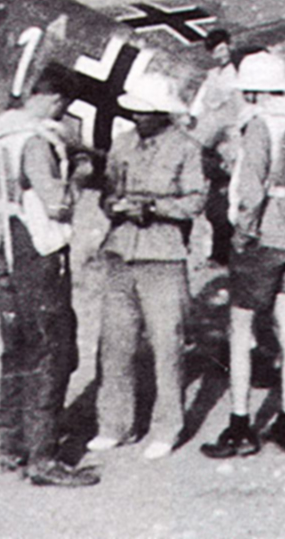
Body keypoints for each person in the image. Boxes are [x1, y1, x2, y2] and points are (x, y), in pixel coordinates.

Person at [200, 53, 285, 458]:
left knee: (241, 328)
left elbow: (251, 188)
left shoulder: (260, 123)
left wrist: (242, 233)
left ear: (255, 90)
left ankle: (240, 424)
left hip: (265, 232)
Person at [0, 68, 97, 487]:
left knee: (16, 349)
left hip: (10, 240)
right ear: (55, 100)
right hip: (41, 247)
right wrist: (79, 175)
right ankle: (43, 456)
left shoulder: (1, 133)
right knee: (50, 349)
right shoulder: (36, 141)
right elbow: (57, 203)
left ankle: (12, 446)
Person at [89, 73, 206, 460]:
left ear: (163, 113)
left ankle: (166, 427)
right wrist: (112, 205)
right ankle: (114, 425)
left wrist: (153, 208)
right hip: (120, 251)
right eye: (135, 111)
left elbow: (194, 201)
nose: (137, 118)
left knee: (166, 345)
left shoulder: (186, 148)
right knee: (115, 343)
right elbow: (108, 191)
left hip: (163, 255)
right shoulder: (122, 143)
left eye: (145, 112)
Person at [189, 29, 253, 266]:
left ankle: (235, 251)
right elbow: (200, 109)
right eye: (216, 51)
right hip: (215, 142)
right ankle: (219, 253)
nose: (221, 55)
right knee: (217, 204)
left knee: (235, 200)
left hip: (234, 141)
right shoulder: (212, 76)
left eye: (223, 49)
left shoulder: (241, 74)